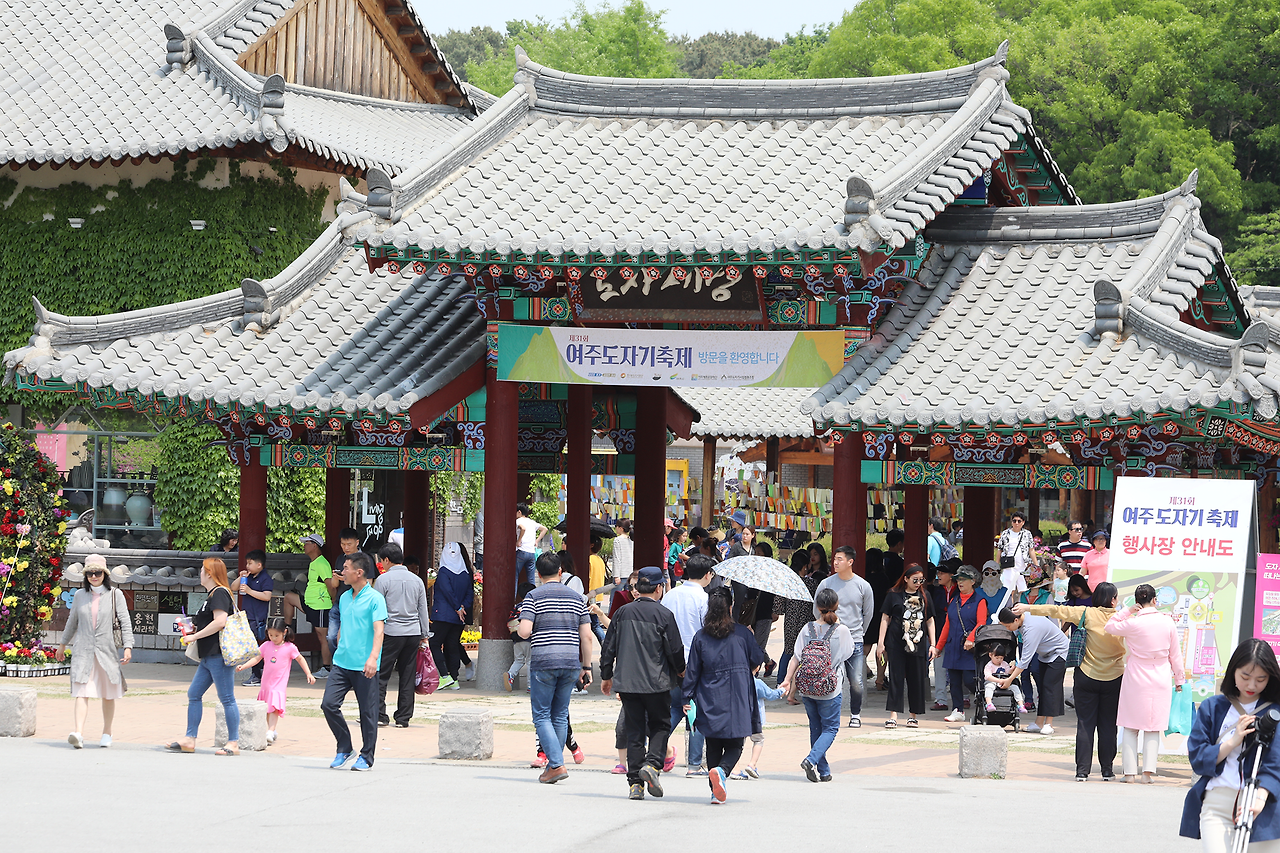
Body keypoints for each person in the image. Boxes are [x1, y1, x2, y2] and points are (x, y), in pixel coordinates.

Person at [1014, 583, 1124, 781]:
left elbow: (1056, 610)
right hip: (1114, 678)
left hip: (1086, 676)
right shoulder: (1122, 619)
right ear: (1114, 600)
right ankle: (1107, 770)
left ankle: (1082, 771)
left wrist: (1028, 607)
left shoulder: (1086, 613)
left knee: (1085, 724)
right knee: (1108, 725)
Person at [1181, 639, 1280, 851]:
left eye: (1261, 679)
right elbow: (1198, 758)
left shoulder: (1275, 713)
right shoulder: (1213, 707)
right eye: (1245, 676)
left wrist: (1260, 798)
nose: (1252, 685)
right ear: (1233, 671)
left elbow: (1275, 763)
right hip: (1217, 804)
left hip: (1262, 804)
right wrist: (1232, 741)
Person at [600, 565, 685, 801]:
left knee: (635, 731)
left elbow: (609, 647)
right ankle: (653, 764)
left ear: (638, 587)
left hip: (627, 683)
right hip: (656, 683)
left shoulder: (622, 613)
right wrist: (681, 671)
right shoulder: (664, 615)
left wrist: (606, 676)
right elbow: (675, 650)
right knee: (660, 726)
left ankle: (635, 784)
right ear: (659, 588)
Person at [681, 587, 765, 803]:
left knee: (714, 743)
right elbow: (757, 659)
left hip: (709, 695)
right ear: (730, 606)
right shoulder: (743, 634)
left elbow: (692, 670)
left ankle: (714, 790)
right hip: (737, 694)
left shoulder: (701, 637)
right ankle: (722, 771)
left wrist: (686, 697)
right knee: (736, 744)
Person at [518, 551, 593, 784]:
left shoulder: (533, 596)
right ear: (560, 571)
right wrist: (587, 666)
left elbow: (524, 631)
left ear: (538, 574)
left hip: (544, 662)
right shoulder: (576, 597)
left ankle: (557, 764)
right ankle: (554, 765)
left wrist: (520, 624)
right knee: (560, 714)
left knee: (541, 715)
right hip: (570, 662)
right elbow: (587, 636)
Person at [1105, 583, 1185, 783]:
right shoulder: (1167, 622)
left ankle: (1129, 773)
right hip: (1160, 676)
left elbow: (1109, 626)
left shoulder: (1133, 622)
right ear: (1155, 600)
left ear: (1137, 601)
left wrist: (1127, 610)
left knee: (1131, 727)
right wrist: (1179, 679)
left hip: (1136, 676)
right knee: (1153, 726)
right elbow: (1175, 655)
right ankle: (1147, 774)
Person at [57, 553, 133, 749]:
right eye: (90, 573)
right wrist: (63, 644)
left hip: (106, 651)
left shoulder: (115, 595)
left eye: (97, 573)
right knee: (81, 691)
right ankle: (78, 733)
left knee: (108, 693)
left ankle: (107, 732)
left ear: (105, 574)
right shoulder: (80, 595)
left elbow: (125, 622)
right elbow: (72, 621)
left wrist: (128, 647)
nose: (93, 576)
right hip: (83, 650)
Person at [780, 587, 854, 782]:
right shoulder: (842, 631)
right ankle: (811, 759)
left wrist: (787, 680)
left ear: (817, 606)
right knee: (830, 729)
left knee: (816, 728)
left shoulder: (807, 629)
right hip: (830, 687)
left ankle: (824, 770)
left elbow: (796, 658)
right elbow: (848, 653)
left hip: (807, 687)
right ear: (837, 606)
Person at [321, 552, 386, 771]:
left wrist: (373, 658)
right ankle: (345, 747)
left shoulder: (375, 599)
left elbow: (379, 631)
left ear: (359, 573)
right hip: (342, 662)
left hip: (364, 665)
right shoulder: (345, 596)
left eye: (346, 568)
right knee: (328, 704)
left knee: (367, 713)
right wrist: (339, 643)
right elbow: (343, 625)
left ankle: (367, 756)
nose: (342, 572)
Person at [169, 558, 239, 755]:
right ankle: (190, 739)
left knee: (227, 698)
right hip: (208, 655)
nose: (200, 573)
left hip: (218, 654)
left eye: (202, 570)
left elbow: (220, 622)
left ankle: (233, 742)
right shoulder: (212, 595)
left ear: (209, 573)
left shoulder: (219, 593)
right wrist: (192, 629)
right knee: (194, 694)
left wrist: (195, 636)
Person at [662, 553, 713, 776]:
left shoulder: (669, 595)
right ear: (707, 575)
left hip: (670, 660)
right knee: (695, 711)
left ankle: (655, 746)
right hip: (695, 661)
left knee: (674, 707)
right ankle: (694, 763)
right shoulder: (703, 599)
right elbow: (707, 631)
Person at [813, 545, 874, 729]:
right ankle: (829, 715)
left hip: (854, 640)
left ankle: (855, 714)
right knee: (828, 678)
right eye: (835, 559)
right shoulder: (826, 583)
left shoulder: (863, 586)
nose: (835, 562)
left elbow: (868, 613)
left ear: (850, 562)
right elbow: (816, 609)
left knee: (856, 681)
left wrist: (860, 633)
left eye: (840, 559)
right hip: (830, 639)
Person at [372, 542, 430, 728]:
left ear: (387, 560)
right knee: (407, 675)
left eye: (382, 561)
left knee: (381, 674)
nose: (382, 564)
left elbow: (377, 609)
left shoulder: (383, 580)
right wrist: (425, 635)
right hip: (413, 633)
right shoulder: (417, 580)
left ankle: (380, 714)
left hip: (391, 632)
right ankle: (403, 717)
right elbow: (423, 609)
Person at [234, 616, 314, 744]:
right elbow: (256, 658)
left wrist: (308, 673)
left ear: (284, 632)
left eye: (276, 635)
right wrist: (244, 666)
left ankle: (271, 730)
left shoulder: (290, 647)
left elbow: (300, 659)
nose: (273, 638)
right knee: (267, 707)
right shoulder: (266, 645)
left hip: (279, 684)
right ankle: (272, 730)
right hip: (266, 683)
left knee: (274, 706)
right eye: (270, 635)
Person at [878, 564, 936, 728]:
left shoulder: (925, 596)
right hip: (896, 641)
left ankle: (913, 715)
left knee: (916, 678)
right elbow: (885, 618)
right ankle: (893, 715)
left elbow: (930, 620)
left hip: (918, 642)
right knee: (895, 677)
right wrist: (880, 643)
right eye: (915, 580)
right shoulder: (893, 595)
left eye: (921, 580)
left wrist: (933, 644)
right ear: (906, 579)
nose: (918, 583)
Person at [997, 605, 1069, 735]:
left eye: (1007, 626)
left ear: (1016, 620)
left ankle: (1049, 724)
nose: (1007, 629)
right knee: (1042, 687)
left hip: (1059, 653)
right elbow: (1024, 657)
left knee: (1050, 687)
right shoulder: (1023, 620)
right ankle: (1038, 723)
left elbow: (1025, 661)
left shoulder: (1031, 628)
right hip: (1045, 654)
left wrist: (1010, 679)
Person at [935, 565, 988, 722]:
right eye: (958, 579)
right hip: (953, 645)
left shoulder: (980, 601)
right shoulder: (954, 600)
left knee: (969, 679)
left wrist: (972, 638)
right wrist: (939, 646)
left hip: (969, 648)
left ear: (973, 581)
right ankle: (957, 710)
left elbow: (981, 623)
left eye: (963, 579)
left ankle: (984, 701)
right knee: (954, 680)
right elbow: (947, 624)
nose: (960, 583)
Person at [286, 533, 333, 678]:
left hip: (321, 605)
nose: (304, 546)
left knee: (322, 637)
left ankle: (327, 668)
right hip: (309, 603)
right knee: (289, 597)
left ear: (314, 546)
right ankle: (287, 630)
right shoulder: (314, 562)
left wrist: (333, 601)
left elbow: (330, 585)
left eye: (306, 543)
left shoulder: (322, 563)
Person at [430, 542, 474, 691]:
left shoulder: (443, 571)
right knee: (452, 645)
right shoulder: (465, 573)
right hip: (458, 618)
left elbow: (447, 591)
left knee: (434, 643)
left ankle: (444, 675)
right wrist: (462, 608)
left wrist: (456, 607)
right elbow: (469, 593)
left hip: (443, 615)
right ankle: (454, 679)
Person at [778, 550, 822, 698]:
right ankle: (801, 686)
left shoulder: (786, 582)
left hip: (790, 621)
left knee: (789, 651)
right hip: (807, 623)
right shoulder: (811, 583)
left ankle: (781, 683)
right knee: (805, 654)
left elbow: (778, 607)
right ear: (804, 566)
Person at [230, 548, 273, 686]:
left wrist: (249, 591)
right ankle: (256, 674)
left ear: (259, 565)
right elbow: (233, 587)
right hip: (246, 617)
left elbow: (267, 596)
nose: (247, 566)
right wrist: (241, 576)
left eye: (250, 563)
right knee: (250, 648)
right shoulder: (248, 577)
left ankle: (258, 675)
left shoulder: (266, 578)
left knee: (255, 648)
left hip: (257, 618)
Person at [737, 670, 784, 779]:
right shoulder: (757, 683)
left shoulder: (736, 682)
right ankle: (752, 764)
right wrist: (781, 690)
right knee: (759, 740)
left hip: (739, 718)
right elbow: (771, 695)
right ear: (757, 668)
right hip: (754, 719)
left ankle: (735, 768)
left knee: (737, 744)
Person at [325, 528, 363, 658]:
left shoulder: (364, 559)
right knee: (331, 637)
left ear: (357, 542)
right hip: (339, 602)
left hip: (356, 603)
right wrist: (336, 578)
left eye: (349, 544)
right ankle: (339, 663)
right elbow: (334, 586)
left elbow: (367, 584)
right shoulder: (340, 559)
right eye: (342, 544)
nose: (345, 547)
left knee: (352, 637)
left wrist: (347, 579)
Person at [505, 581, 536, 691]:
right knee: (530, 661)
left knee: (518, 660)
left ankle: (510, 675)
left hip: (516, 638)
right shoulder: (532, 606)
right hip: (529, 638)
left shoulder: (517, 607)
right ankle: (530, 685)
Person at [997, 511, 1035, 593]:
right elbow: (999, 550)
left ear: (1023, 522)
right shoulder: (1005, 533)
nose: (1016, 523)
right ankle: (1010, 605)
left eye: (1019, 521)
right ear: (1011, 522)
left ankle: (1021, 605)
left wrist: (1036, 565)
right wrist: (996, 566)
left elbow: (1031, 549)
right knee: (1009, 590)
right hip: (1009, 565)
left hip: (1023, 565)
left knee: (1024, 590)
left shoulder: (1027, 534)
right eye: (1014, 521)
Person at [515, 502, 547, 589]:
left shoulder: (518, 521)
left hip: (521, 551)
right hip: (531, 553)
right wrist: (536, 541)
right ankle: (533, 600)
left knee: (515, 577)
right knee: (531, 580)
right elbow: (544, 529)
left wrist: (519, 541)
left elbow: (523, 528)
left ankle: (512, 601)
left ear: (519, 512)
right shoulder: (532, 522)